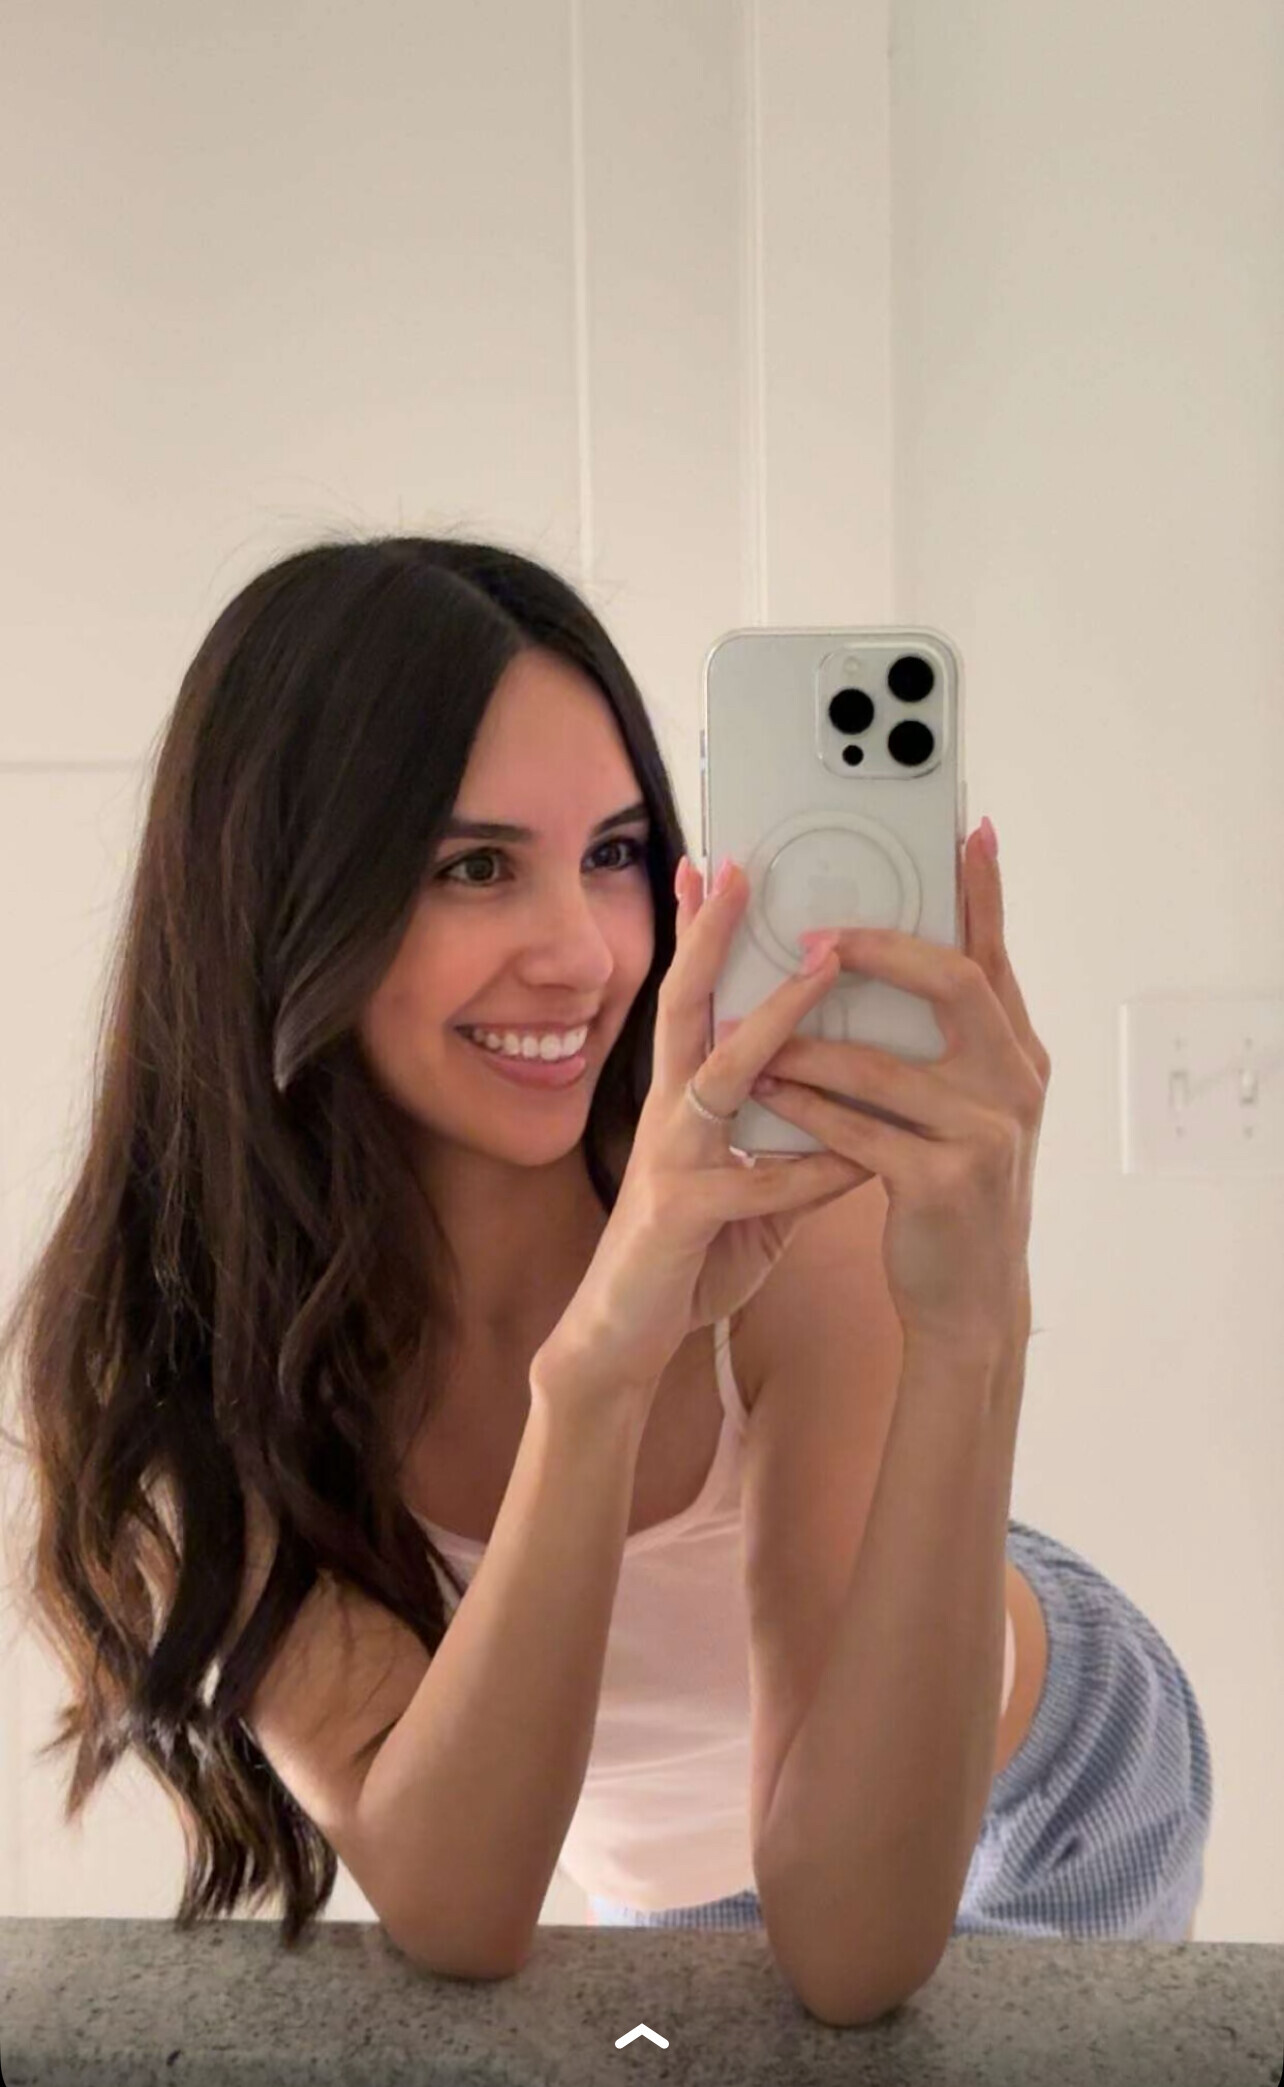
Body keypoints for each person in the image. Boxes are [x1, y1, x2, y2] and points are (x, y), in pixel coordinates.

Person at [0, 535, 1211, 2004]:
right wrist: (601, 1370)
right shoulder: (191, 1358)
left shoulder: (786, 1216)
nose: (581, 953)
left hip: (1042, 1782)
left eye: (616, 854)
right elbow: (461, 1904)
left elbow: (852, 1951)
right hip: (678, 1877)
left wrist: (974, 1331)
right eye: (475, 868)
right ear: (280, 905)